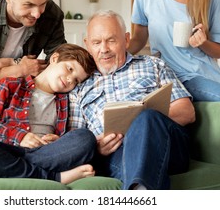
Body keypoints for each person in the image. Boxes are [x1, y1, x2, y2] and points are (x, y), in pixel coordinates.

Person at [68, 10, 195, 190]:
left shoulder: (153, 65)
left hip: (167, 144)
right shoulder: (79, 86)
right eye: (96, 42)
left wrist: (140, 121)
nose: (104, 49)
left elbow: (186, 112)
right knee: (133, 153)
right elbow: (76, 143)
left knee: (147, 118)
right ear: (87, 45)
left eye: (111, 40)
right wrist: (96, 148)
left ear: (126, 40)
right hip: (115, 154)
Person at [0, 43, 97, 184]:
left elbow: (66, 141)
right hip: (6, 149)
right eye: (69, 69)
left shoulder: (66, 101)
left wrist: (57, 140)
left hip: (44, 153)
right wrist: (19, 137)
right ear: (55, 58)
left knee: (85, 138)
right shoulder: (11, 84)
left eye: (76, 80)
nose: (69, 79)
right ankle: (55, 177)